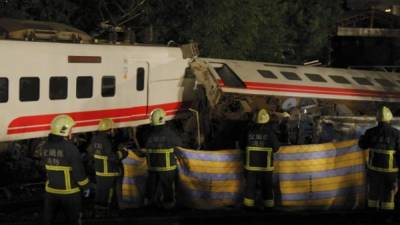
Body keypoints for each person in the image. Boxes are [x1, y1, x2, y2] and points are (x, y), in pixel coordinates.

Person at [42, 115, 90, 225]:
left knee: (49, 221)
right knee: (73, 221)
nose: (71, 132)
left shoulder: (45, 146)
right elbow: (79, 173)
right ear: (64, 130)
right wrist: (86, 186)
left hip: (50, 193)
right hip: (70, 194)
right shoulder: (70, 148)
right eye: (70, 129)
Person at [359, 106, 400, 211]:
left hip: (374, 169)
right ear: (390, 118)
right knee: (388, 193)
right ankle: (386, 215)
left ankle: (372, 215)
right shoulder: (397, 133)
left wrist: (362, 138)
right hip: (390, 171)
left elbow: (362, 145)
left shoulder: (370, 132)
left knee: (373, 192)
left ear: (377, 118)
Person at [88, 118, 128, 217]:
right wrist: (123, 152)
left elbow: (90, 151)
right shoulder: (107, 141)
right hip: (109, 171)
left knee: (100, 192)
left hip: (99, 171)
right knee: (108, 193)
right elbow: (113, 157)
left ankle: (98, 212)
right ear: (109, 130)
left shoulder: (95, 139)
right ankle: (105, 214)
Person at [143, 108, 181, 209]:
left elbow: (145, 146)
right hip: (167, 168)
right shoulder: (170, 133)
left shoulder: (148, 134)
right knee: (167, 188)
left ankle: (149, 205)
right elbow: (179, 144)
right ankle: (168, 206)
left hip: (153, 167)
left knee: (151, 187)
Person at [242, 109, 280, 209]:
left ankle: (248, 207)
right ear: (267, 120)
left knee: (250, 188)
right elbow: (276, 148)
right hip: (265, 167)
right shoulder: (270, 133)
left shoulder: (249, 132)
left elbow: (242, 146)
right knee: (267, 187)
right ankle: (269, 207)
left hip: (251, 166)